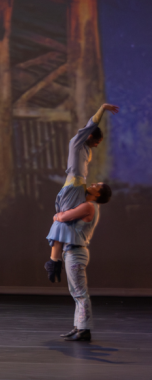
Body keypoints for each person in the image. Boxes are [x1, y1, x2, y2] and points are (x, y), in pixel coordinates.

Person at [44, 103, 119, 282]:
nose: (96, 145)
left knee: (64, 220)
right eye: (96, 141)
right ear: (90, 136)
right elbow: (91, 124)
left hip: (77, 186)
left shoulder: (85, 149)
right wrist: (102, 109)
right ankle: (54, 261)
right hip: (73, 186)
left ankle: (54, 261)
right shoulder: (78, 142)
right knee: (62, 221)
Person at [52, 183, 110, 342]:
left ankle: (84, 329)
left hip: (76, 252)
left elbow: (63, 217)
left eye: (97, 185)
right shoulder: (90, 205)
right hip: (73, 251)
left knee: (80, 293)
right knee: (76, 292)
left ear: (98, 194)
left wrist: (58, 216)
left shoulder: (89, 206)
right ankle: (79, 327)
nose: (93, 183)